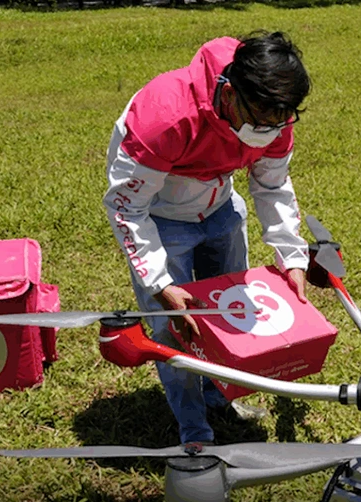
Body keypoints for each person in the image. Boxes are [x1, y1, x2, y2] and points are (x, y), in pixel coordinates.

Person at [103, 31, 312, 446]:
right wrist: (160, 283)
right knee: (174, 329)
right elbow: (127, 206)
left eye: (279, 121)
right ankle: (194, 433)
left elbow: (272, 187)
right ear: (230, 93)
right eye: (258, 120)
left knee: (230, 313)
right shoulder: (164, 116)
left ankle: (220, 395)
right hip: (159, 220)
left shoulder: (275, 116)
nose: (267, 131)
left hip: (220, 209)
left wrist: (291, 255)